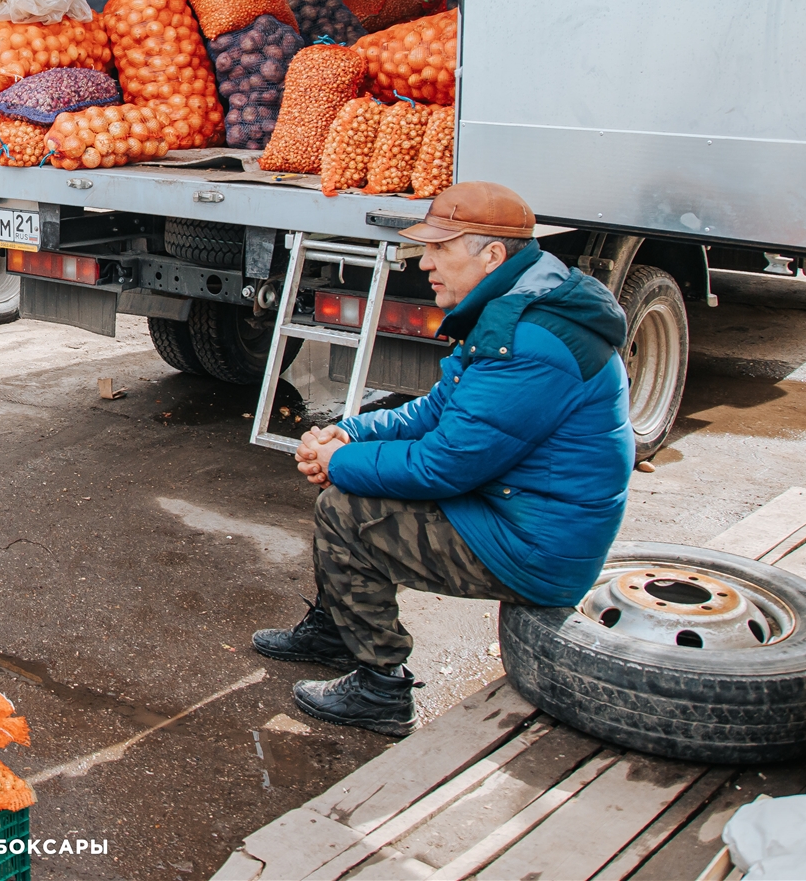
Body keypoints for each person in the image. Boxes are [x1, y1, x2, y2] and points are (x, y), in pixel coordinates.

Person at [251, 182, 634, 737]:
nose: (424, 262)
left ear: (492, 256)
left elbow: (445, 464)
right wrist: (347, 433)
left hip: (537, 545)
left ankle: (381, 688)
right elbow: (435, 414)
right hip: (514, 509)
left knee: (346, 508)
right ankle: (337, 630)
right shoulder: (516, 308)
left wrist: (337, 463)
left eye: (440, 249)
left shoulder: (530, 341)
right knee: (352, 477)